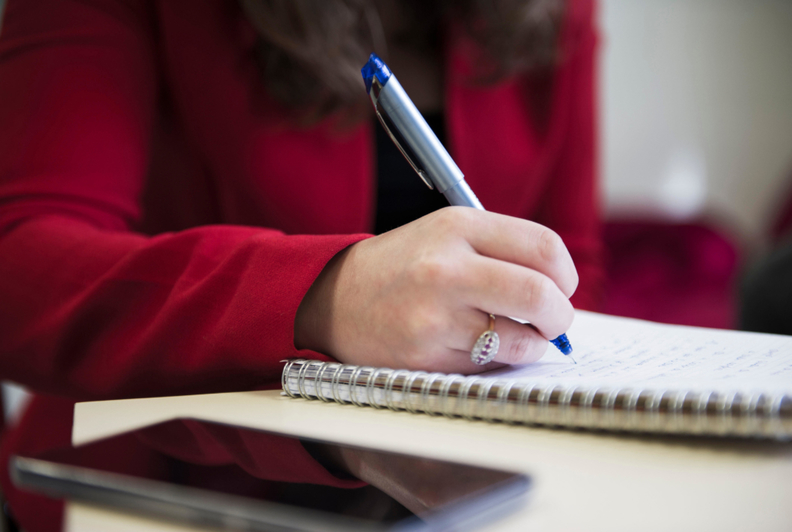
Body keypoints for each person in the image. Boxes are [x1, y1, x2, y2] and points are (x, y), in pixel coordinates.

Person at [0, 0, 602, 529]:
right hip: (171, 485)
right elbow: (21, 264)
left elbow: (573, 258)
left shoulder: (554, 10)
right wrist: (326, 294)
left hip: (483, 487)